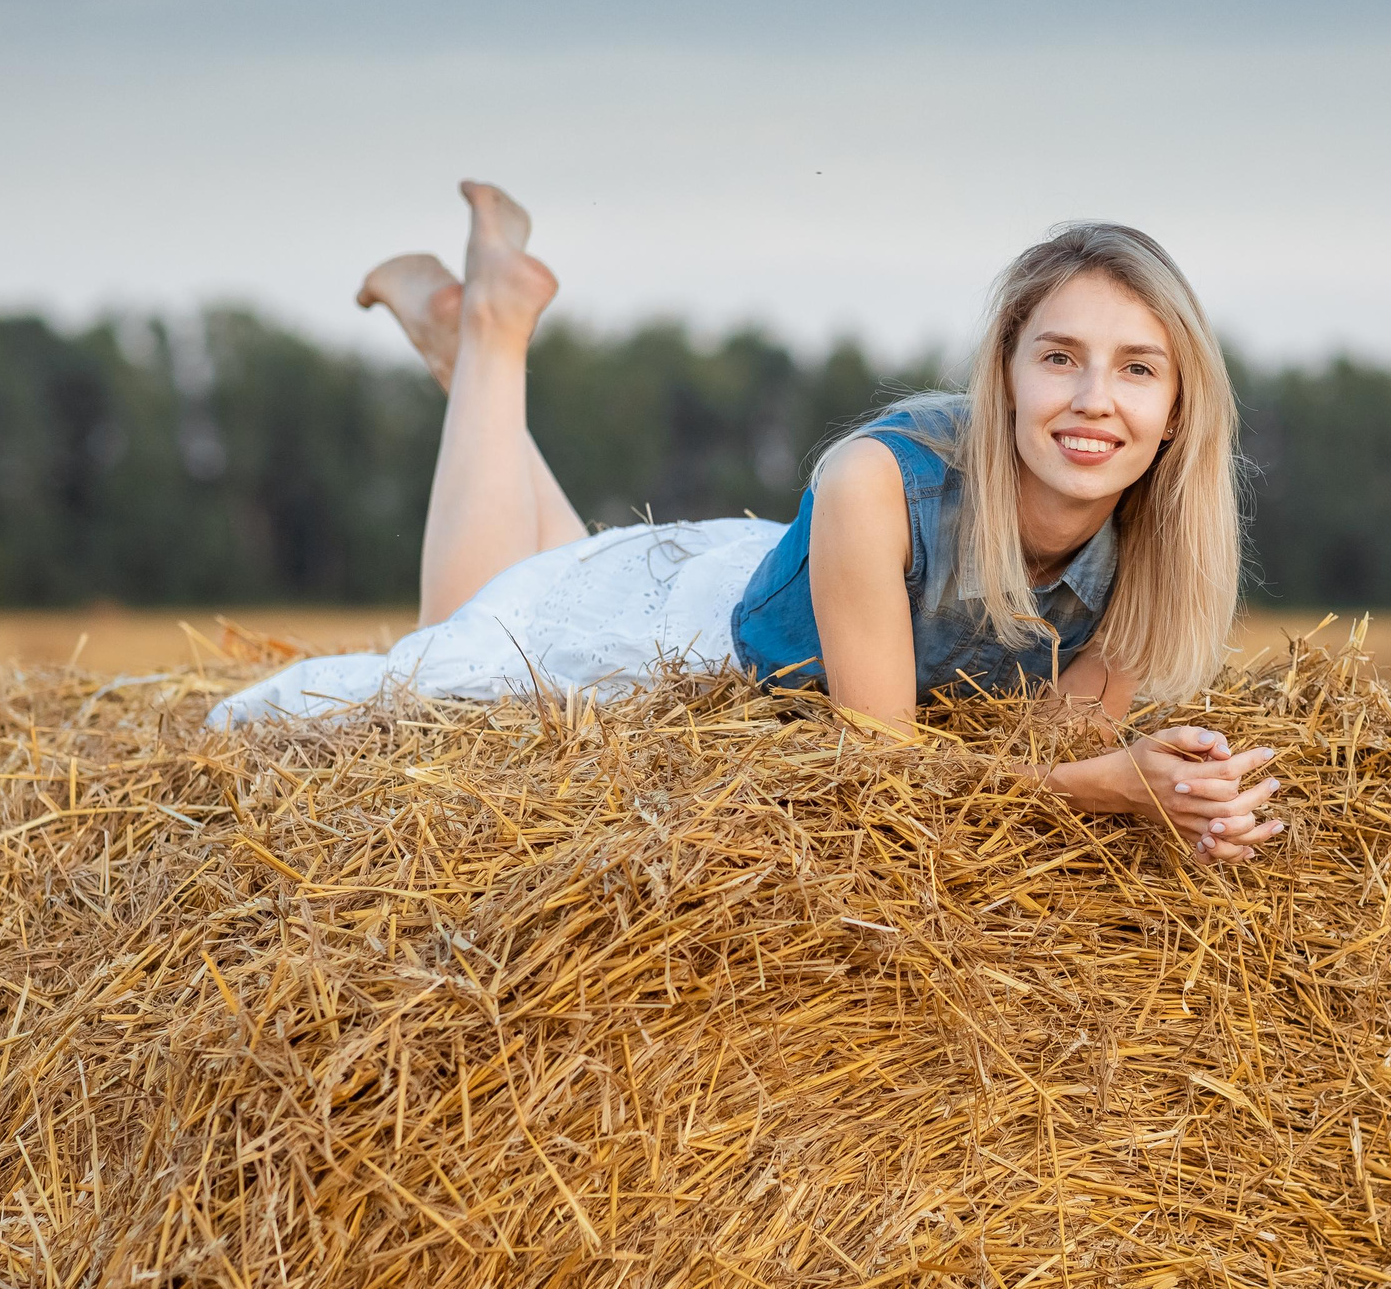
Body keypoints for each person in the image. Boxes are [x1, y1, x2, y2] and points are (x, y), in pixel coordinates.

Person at [210, 183, 1285, 863]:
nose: (1094, 399)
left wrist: (1175, 798)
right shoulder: (880, 478)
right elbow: (885, 781)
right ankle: (488, 333)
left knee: (513, 581)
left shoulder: (1156, 551)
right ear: (1001, 371)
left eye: (1136, 370)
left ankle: (469, 343)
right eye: (1059, 357)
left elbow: (1042, 753)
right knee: (447, 642)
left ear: (1177, 408)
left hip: (794, 592)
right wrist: (1105, 792)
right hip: (680, 649)